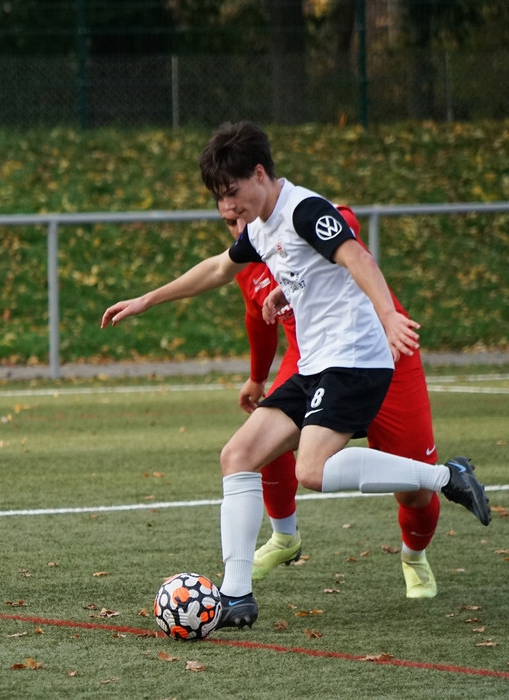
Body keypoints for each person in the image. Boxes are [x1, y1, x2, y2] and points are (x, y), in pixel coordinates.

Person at [101, 120, 490, 632]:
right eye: (218, 198)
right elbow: (218, 268)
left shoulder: (305, 209)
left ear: (259, 174)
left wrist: (389, 316)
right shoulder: (260, 226)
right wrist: (147, 299)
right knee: (238, 455)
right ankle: (236, 595)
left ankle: (446, 476)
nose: (226, 208)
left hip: (354, 359)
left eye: (231, 193)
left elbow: (357, 257)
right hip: (314, 364)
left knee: (312, 470)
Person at [226, 205, 443, 598]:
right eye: (230, 222)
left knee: (415, 491)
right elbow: (257, 319)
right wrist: (257, 378)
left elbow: (346, 221)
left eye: (245, 216)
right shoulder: (246, 261)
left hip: (383, 353)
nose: (241, 228)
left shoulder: (299, 215)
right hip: (310, 360)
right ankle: (284, 537)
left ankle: (414, 556)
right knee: (261, 438)